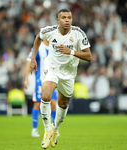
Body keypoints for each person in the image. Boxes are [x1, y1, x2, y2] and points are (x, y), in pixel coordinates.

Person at [30, 9, 92, 149]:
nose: (67, 20)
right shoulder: (50, 30)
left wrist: (70, 51)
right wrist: (33, 58)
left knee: (63, 105)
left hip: (69, 74)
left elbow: (89, 56)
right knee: (45, 96)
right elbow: (38, 38)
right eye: (63, 17)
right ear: (58, 20)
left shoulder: (78, 33)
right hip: (51, 69)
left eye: (69, 17)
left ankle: (55, 129)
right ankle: (47, 130)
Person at [24, 39, 58, 137]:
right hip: (41, 80)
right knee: (38, 104)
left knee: (53, 103)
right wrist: (26, 78)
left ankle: (54, 129)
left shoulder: (54, 47)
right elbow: (29, 62)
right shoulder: (38, 47)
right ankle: (34, 129)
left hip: (52, 80)